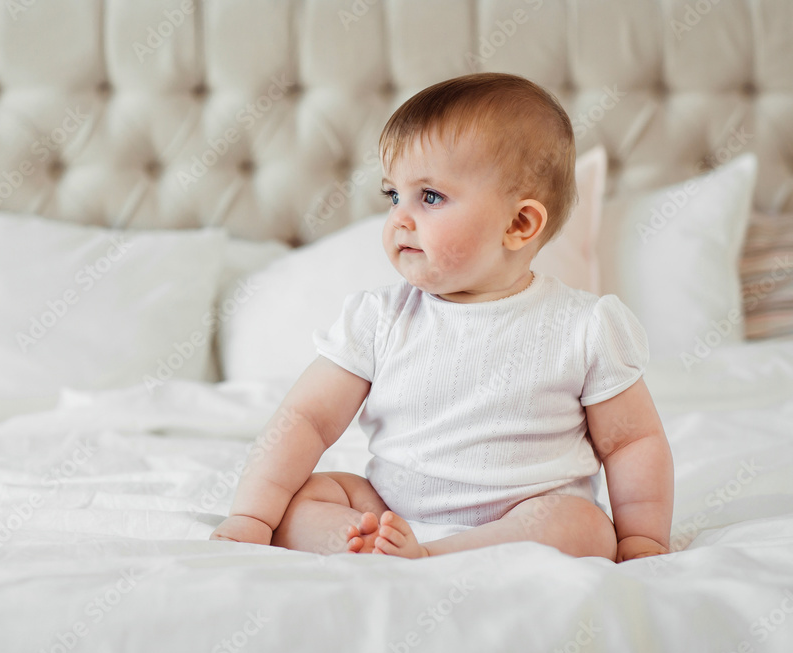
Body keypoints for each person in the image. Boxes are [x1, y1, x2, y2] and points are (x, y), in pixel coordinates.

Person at [209, 72, 673, 562]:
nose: (399, 219)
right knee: (304, 498)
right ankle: (369, 543)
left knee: (584, 527)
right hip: (390, 512)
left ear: (519, 224)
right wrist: (251, 516)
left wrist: (643, 538)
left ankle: (435, 555)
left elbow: (632, 442)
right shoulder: (379, 319)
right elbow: (305, 420)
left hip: (521, 519)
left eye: (429, 197)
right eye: (394, 195)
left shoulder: (585, 326)